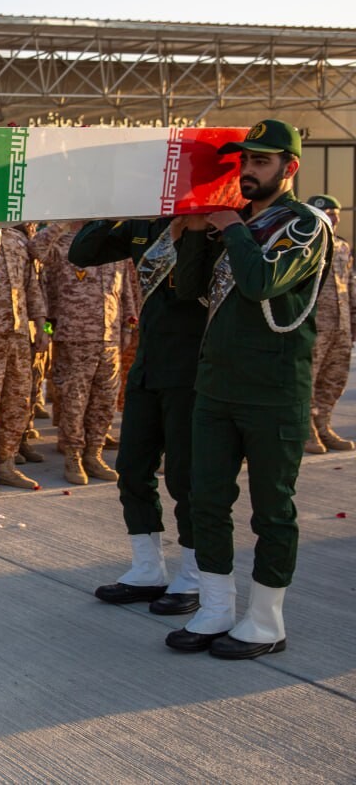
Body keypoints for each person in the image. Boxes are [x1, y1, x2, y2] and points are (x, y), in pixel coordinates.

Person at [166, 119, 331, 660]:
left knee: (271, 509)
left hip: (273, 386)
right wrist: (192, 234)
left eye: (261, 162)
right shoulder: (233, 222)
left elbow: (263, 282)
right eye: (245, 161)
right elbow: (189, 291)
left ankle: (265, 620)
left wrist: (232, 229)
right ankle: (215, 607)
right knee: (206, 498)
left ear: (290, 168)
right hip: (216, 385)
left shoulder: (305, 225)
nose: (249, 171)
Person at [69, 215, 206, 616]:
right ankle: (148, 568)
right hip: (148, 366)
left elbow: (191, 289)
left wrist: (191, 229)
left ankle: (195, 576)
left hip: (192, 368)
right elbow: (82, 252)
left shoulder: (213, 224)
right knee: (132, 470)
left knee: (186, 478)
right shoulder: (141, 224)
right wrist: (114, 207)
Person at [31, 222, 136, 484]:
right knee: (74, 401)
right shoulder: (63, 244)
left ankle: (94, 454)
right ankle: (73, 457)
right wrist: (61, 224)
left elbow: (125, 292)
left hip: (109, 337)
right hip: (73, 336)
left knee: (104, 401)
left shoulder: (113, 246)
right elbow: (36, 251)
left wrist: (128, 325)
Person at [0, 222, 47, 492]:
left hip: (18, 332)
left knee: (18, 399)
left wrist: (39, 324)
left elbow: (32, 285)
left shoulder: (19, 240)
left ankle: (6, 465)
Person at [302, 194, 354, 453]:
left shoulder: (343, 247)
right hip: (314, 325)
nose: (332, 216)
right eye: (326, 212)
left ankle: (324, 426)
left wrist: (352, 325)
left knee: (334, 380)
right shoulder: (305, 245)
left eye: (335, 212)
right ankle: (306, 432)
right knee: (307, 381)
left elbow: (350, 287)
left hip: (340, 326)